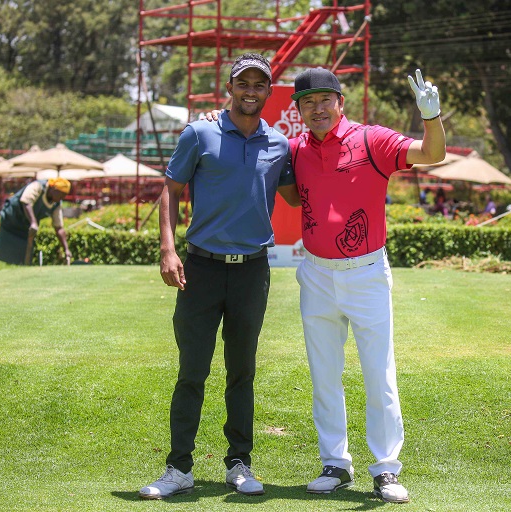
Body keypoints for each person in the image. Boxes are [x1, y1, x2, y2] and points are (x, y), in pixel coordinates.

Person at [139, 53, 300, 500]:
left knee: (241, 371)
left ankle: (239, 464)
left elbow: (296, 195)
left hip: (252, 272)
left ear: (269, 92)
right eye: (243, 83)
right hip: (202, 268)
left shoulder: (281, 145)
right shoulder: (199, 131)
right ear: (229, 87)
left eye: (259, 85)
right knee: (192, 370)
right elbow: (170, 189)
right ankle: (178, 469)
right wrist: (168, 249)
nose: (251, 91)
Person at [290, 67, 445, 504]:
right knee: (324, 375)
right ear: (299, 109)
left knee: (378, 373)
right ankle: (335, 464)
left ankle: (386, 469)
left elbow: (431, 154)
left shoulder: (371, 139)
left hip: (367, 271)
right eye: (308, 102)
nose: (317, 109)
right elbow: (286, 192)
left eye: (325, 100)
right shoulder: (296, 149)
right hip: (316, 273)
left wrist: (431, 117)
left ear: (340, 102)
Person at [0, 177, 73, 267]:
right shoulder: (38, 186)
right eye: (61, 194)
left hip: (26, 224)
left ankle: (20, 270)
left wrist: (66, 249)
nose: (62, 198)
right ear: (53, 189)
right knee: (2, 243)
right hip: (12, 216)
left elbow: (58, 227)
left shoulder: (56, 204)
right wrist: (33, 222)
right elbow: (26, 202)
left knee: (23, 249)